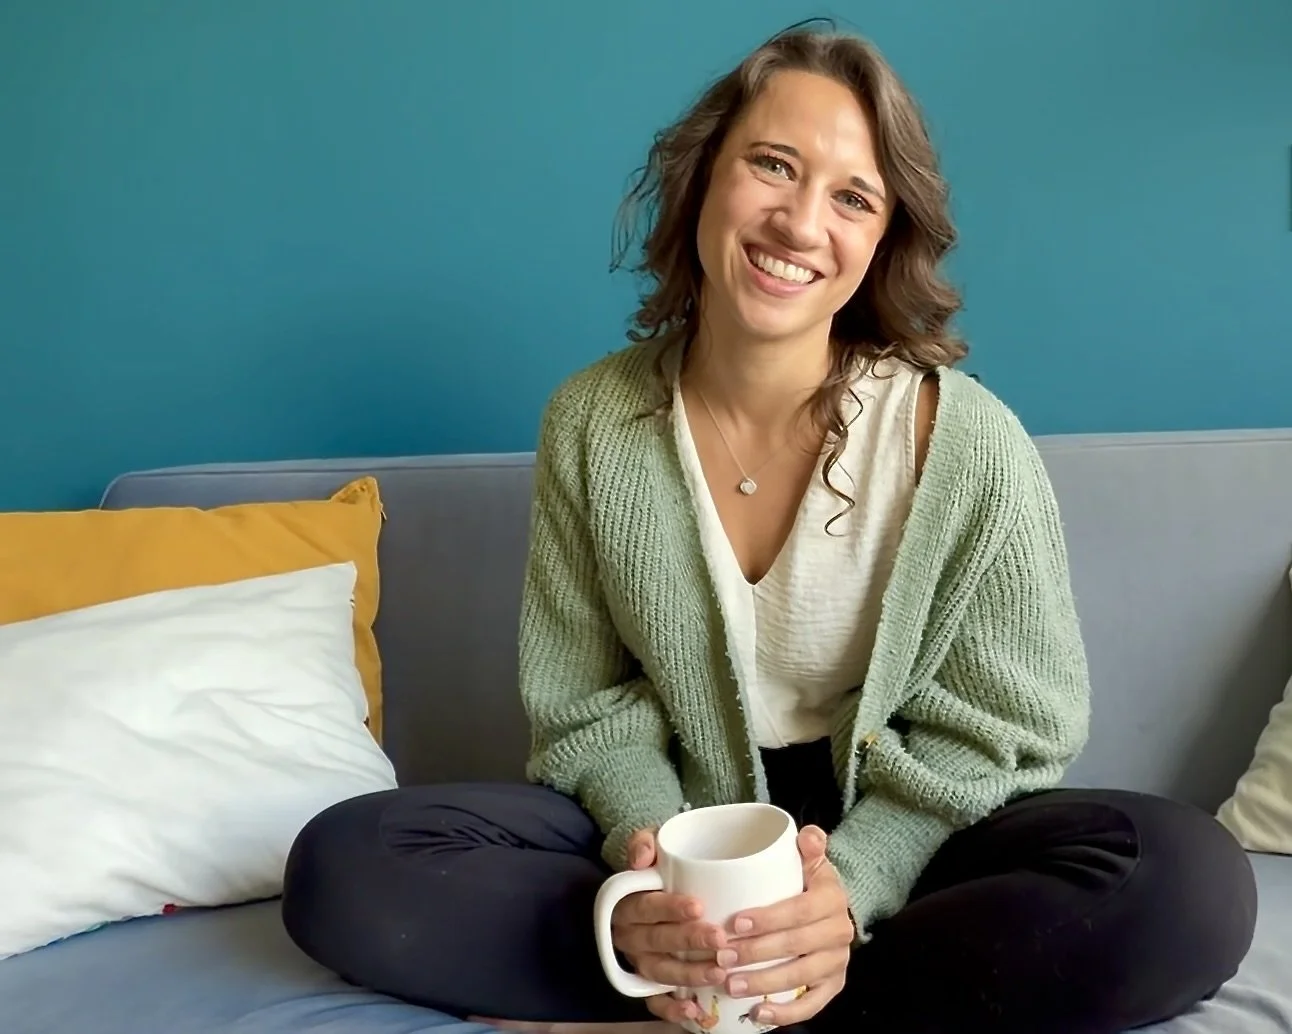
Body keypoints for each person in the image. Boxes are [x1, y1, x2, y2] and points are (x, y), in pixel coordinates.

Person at [280, 21, 1258, 1034]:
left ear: (881, 239)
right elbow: (582, 708)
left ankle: (771, 984)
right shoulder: (590, 424)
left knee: (1184, 885)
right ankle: (689, 964)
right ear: (705, 177)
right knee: (346, 864)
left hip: (906, 853)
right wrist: (660, 876)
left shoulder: (966, 443)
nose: (799, 223)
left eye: (850, 197)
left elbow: (1007, 727)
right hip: (672, 826)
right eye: (771, 166)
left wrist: (852, 884)